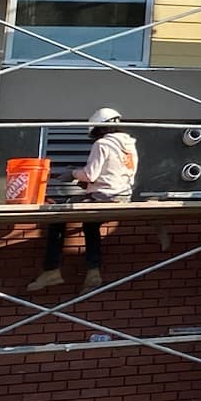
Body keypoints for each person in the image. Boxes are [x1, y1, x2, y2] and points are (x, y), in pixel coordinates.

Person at [27, 108, 137, 293]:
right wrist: (81, 179)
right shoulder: (129, 145)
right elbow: (113, 175)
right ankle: (93, 272)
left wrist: (73, 173)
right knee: (90, 224)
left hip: (104, 197)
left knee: (58, 217)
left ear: (99, 129)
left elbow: (91, 174)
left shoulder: (102, 144)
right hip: (122, 196)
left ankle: (51, 270)